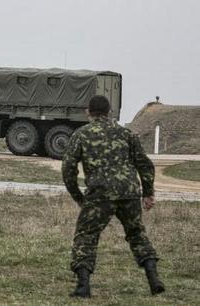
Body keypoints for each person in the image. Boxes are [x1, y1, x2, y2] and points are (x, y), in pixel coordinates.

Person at [62, 95, 165, 298]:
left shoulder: (81, 134)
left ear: (88, 112)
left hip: (99, 194)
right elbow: (145, 164)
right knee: (136, 233)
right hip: (129, 192)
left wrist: (78, 196)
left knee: (86, 235)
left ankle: (83, 286)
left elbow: (68, 168)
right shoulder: (126, 133)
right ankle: (154, 279)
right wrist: (148, 193)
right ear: (109, 112)